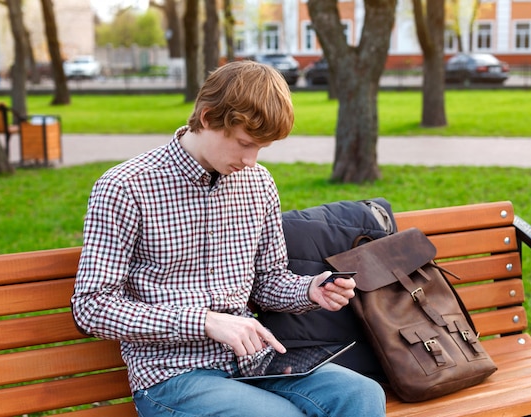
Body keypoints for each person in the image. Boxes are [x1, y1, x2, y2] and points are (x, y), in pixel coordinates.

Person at [71, 60, 386, 417]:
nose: (251, 161)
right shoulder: (125, 187)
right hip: (173, 375)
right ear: (207, 118)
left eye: (261, 149)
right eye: (244, 144)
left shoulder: (258, 183)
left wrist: (311, 289)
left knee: (361, 394)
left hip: (253, 363)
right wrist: (204, 321)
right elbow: (92, 307)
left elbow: (267, 281)